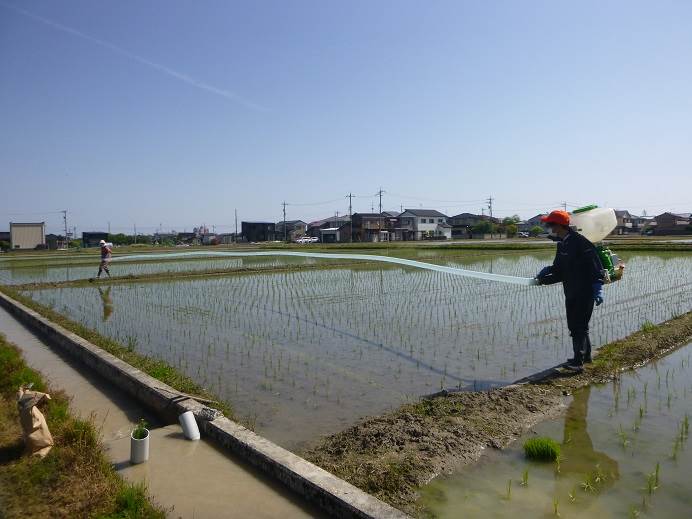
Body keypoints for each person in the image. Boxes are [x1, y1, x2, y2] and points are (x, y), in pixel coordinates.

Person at [536, 210, 604, 371]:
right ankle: (585, 357)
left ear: (559, 225)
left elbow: (595, 266)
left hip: (585, 290)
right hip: (571, 290)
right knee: (578, 326)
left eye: (550, 224)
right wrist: (545, 277)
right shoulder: (562, 244)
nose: (548, 227)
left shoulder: (581, 243)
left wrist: (598, 287)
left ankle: (577, 362)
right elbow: (560, 270)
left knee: (578, 326)